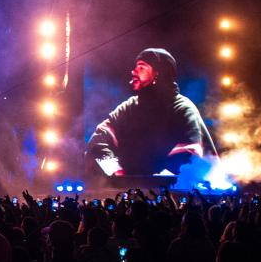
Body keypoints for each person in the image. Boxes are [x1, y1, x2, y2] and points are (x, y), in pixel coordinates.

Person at [86, 47, 217, 176]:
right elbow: (98, 140)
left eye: (141, 67)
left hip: (177, 193)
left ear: (158, 74)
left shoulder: (182, 107)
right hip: (135, 191)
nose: (134, 72)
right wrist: (116, 171)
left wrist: (158, 182)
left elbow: (191, 152)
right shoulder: (129, 107)